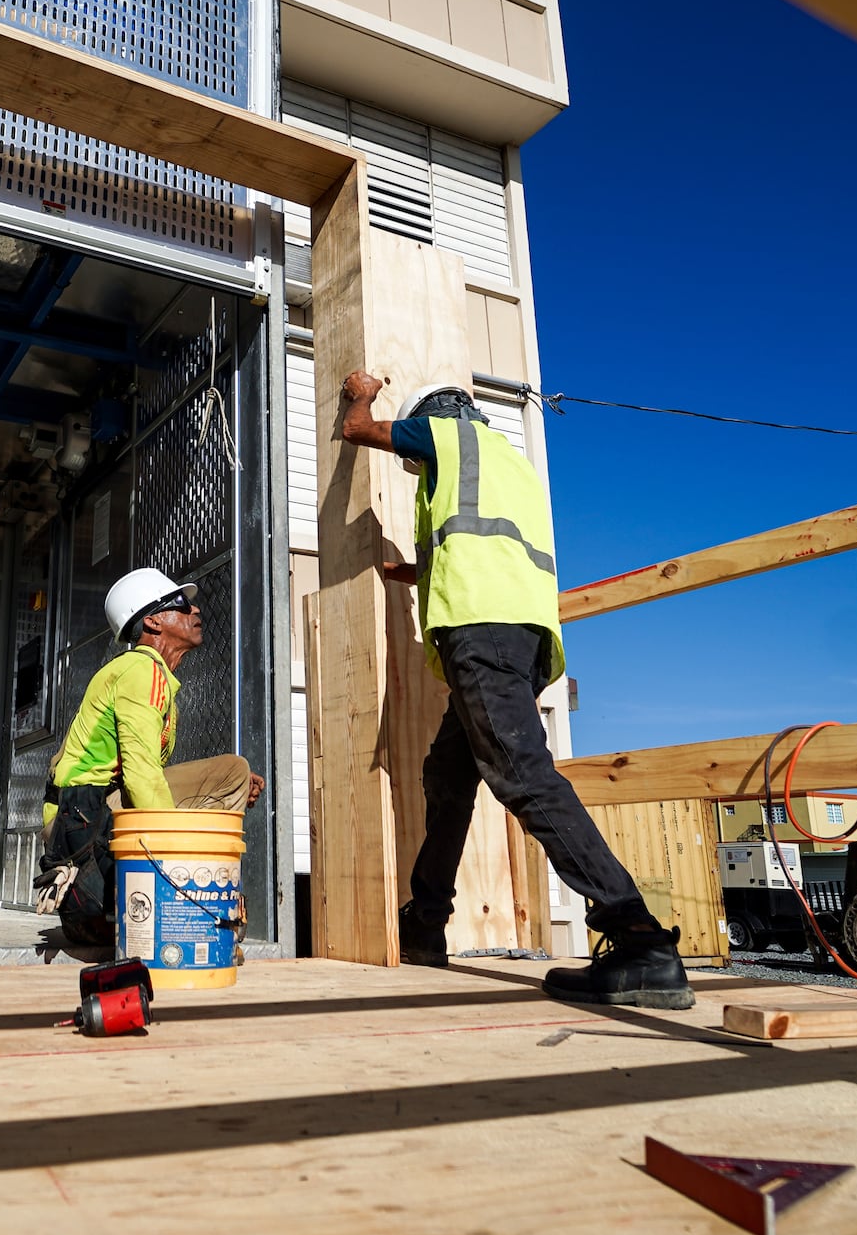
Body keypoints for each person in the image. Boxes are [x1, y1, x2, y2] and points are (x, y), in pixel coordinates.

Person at [337, 371, 693, 1009]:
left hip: (481, 633)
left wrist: (361, 390)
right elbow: (483, 545)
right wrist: (412, 570)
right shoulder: (509, 463)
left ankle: (637, 936)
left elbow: (357, 429)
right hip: (520, 639)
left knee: (523, 774)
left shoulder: (444, 434)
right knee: (448, 776)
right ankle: (424, 925)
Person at [36, 566, 265, 947]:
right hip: (83, 820)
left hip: (78, 817)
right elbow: (143, 778)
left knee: (234, 777)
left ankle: (152, 899)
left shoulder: (141, 672)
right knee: (231, 773)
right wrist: (180, 862)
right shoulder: (142, 670)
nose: (195, 612)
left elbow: (139, 773)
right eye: (182, 604)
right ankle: (176, 905)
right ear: (154, 621)